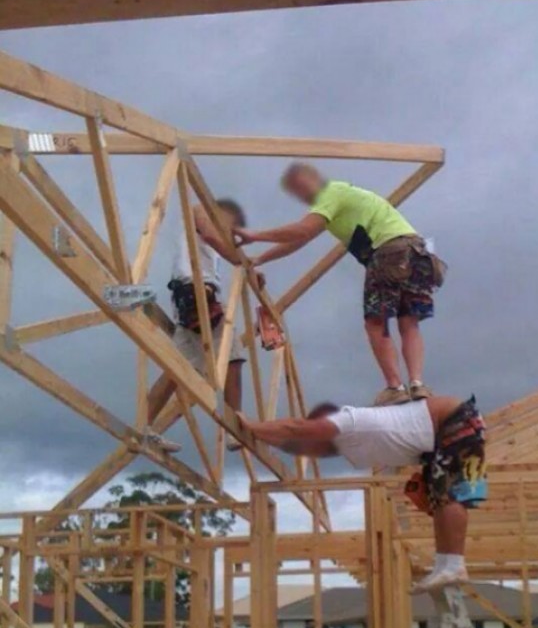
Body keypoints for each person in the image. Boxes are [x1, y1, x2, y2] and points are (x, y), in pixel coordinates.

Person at [233, 163, 445, 407]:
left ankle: (395, 387)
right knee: (408, 322)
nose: (302, 194)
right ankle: (417, 384)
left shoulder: (331, 193)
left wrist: (254, 236)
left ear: (315, 178)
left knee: (376, 322)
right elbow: (300, 239)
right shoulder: (344, 197)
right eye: (296, 191)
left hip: (390, 252)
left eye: (301, 186)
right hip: (417, 253)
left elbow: (304, 229)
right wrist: (260, 258)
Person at [239, 394, 486, 591]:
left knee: (449, 495)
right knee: (441, 497)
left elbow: (296, 429)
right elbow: (293, 440)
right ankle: (446, 566)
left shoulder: (345, 422)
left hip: (453, 420)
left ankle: (452, 565)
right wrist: (266, 438)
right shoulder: (351, 444)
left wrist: (251, 427)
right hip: (441, 433)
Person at [145, 198, 249, 453]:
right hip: (197, 293)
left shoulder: (206, 241)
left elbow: (215, 242)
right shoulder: (200, 210)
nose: (230, 233)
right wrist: (246, 262)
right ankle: (235, 427)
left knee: (176, 369)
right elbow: (213, 236)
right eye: (231, 227)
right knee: (232, 358)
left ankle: (144, 427)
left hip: (190, 296)